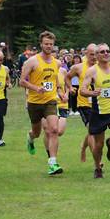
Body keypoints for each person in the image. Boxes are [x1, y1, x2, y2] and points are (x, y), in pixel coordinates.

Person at [20, 31, 65, 175]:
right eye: (46, 44)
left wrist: (59, 90)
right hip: (34, 102)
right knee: (37, 132)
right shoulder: (32, 61)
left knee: (54, 129)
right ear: (41, 44)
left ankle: (53, 163)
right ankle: (30, 137)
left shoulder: (57, 62)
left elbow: (55, 79)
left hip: (50, 101)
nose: (49, 46)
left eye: (51, 44)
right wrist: (35, 88)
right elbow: (22, 81)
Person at [80, 43, 110, 178]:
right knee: (98, 146)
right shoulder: (92, 71)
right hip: (98, 112)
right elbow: (82, 90)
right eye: (102, 52)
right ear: (96, 56)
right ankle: (97, 168)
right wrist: (92, 93)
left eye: (108, 51)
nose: (106, 53)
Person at [66, 44, 98, 162]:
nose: (94, 57)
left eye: (96, 54)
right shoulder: (78, 67)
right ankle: (97, 161)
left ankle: (83, 147)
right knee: (92, 130)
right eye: (91, 54)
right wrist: (70, 88)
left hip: (98, 104)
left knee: (95, 131)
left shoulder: (102, 67)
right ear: (86, 54)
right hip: (83, 103)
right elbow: (67, 77)